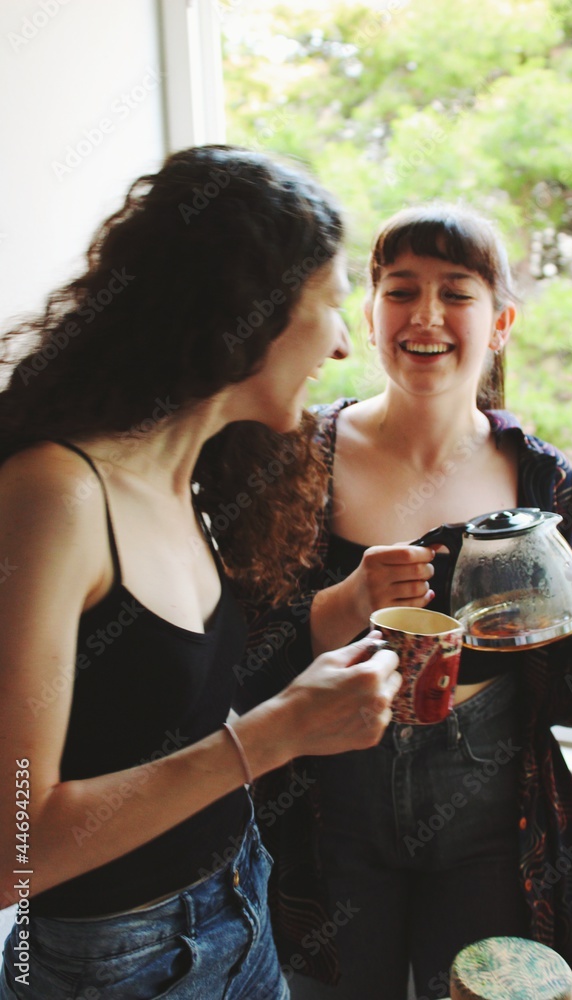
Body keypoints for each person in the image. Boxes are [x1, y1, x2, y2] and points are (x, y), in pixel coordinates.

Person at [0, 145, 403, 1000]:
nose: (341, 346)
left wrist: (338, 620)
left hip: (239, 902)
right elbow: (13, 851)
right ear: (246, 314)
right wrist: (276, 733)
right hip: (118, 963)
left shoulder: (192, 477)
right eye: (330, 306)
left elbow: (160, 708)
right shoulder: (57, 496)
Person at [234, 204, 572, 1000]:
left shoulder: (538, 481)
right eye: (400, 289)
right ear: (368, 311)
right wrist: (345, 603)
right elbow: (232, 668)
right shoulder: (295, 457)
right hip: (329, 810)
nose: (425, 316)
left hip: (489, 816)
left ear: (499, 323)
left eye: (456, 292)